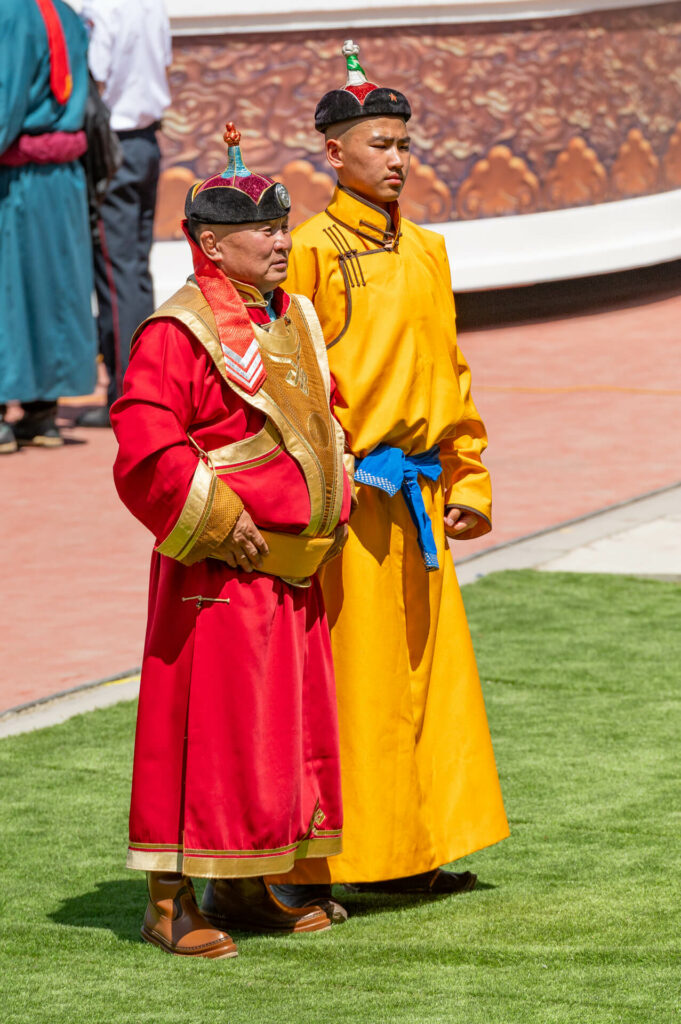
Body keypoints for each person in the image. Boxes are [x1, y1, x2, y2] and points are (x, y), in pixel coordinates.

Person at [270, 42, 509, 912]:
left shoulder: (429, 250)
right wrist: (323, 481)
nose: (397, 160)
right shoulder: (308, 253)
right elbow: (290, 383)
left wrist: (468, 476)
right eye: (380, 145)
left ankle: (422, 847)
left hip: (420, 496)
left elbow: (449, 371)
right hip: (351, 501)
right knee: (357, 687)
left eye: (404, 144)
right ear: (333, 154)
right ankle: (343, 861)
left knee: (428, 683)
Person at [111, 123, 353, 958]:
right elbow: (145, 438)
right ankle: (169, 904)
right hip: (221, 574)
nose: (282, 241)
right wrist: (218, 519)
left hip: (291, 575)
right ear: (211, 243)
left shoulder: (293, 319)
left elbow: (326, 416)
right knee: (203, 737)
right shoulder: (178, 332)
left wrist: (338, 484)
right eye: (263, 230)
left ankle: (246, 885)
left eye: (284, 225)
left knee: (271, 737)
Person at [0, 0, 97, 452]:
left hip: (18, 175)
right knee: (52, 286)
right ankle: (42, 415)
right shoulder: (65, 12)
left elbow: (6, 96)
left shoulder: (11, 12)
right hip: (62, 177)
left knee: (12, 290)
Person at [77, 0, 171, 427]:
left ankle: (123, 395)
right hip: (145, 141)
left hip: (114, 142)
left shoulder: (104, 7)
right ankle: (148, 386)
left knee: (116, 273)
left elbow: (94, 76)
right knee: (135, 268)